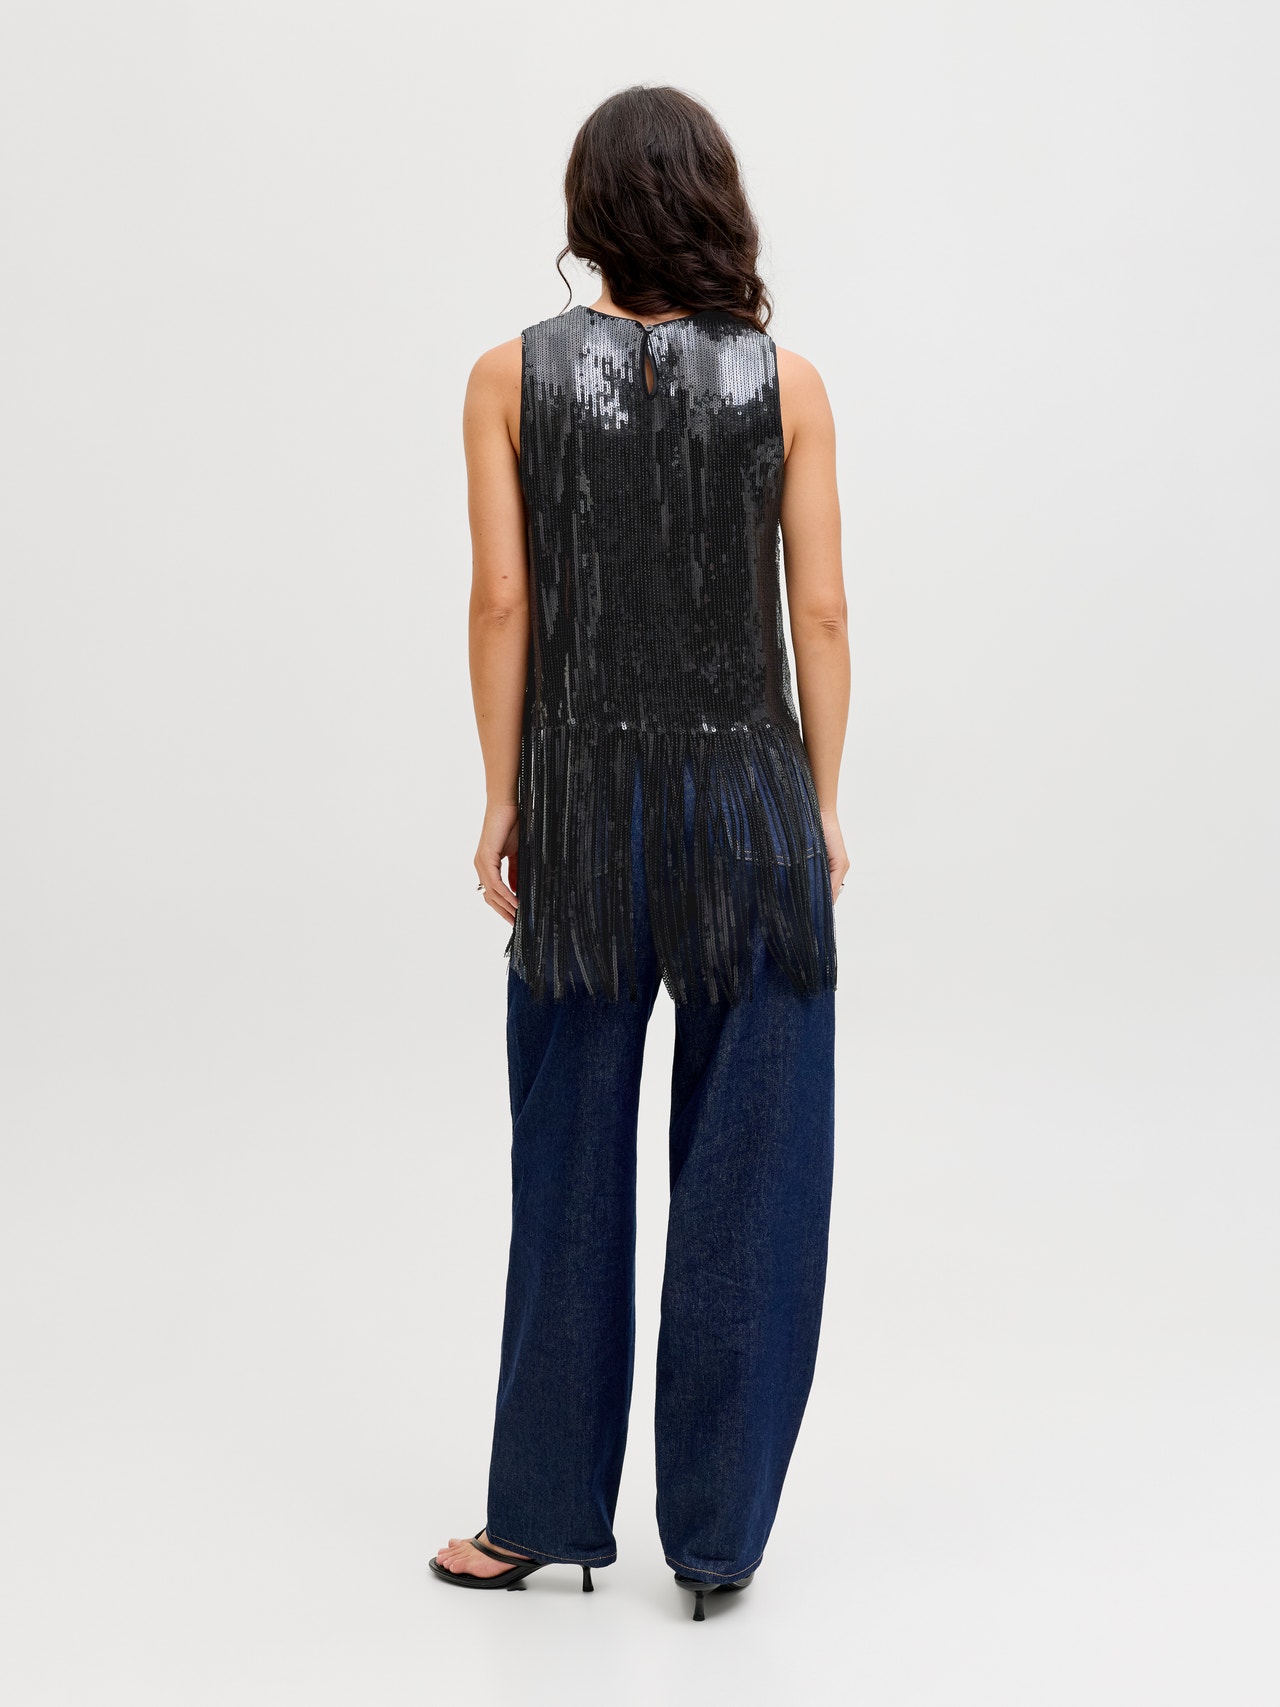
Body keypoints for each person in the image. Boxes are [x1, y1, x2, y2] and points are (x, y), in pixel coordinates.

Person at [431, 84, 850, 1621]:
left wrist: (503, 796)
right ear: (716, 202)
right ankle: (718, 1543)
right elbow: (821, 614)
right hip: (750, 808)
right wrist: (818, 804)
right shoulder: (789, 385)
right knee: (754, 1176)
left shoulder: (506, 378)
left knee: (566, 1160)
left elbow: (502, 600)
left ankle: (537, 1516)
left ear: (589, 209)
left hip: (584, 805)